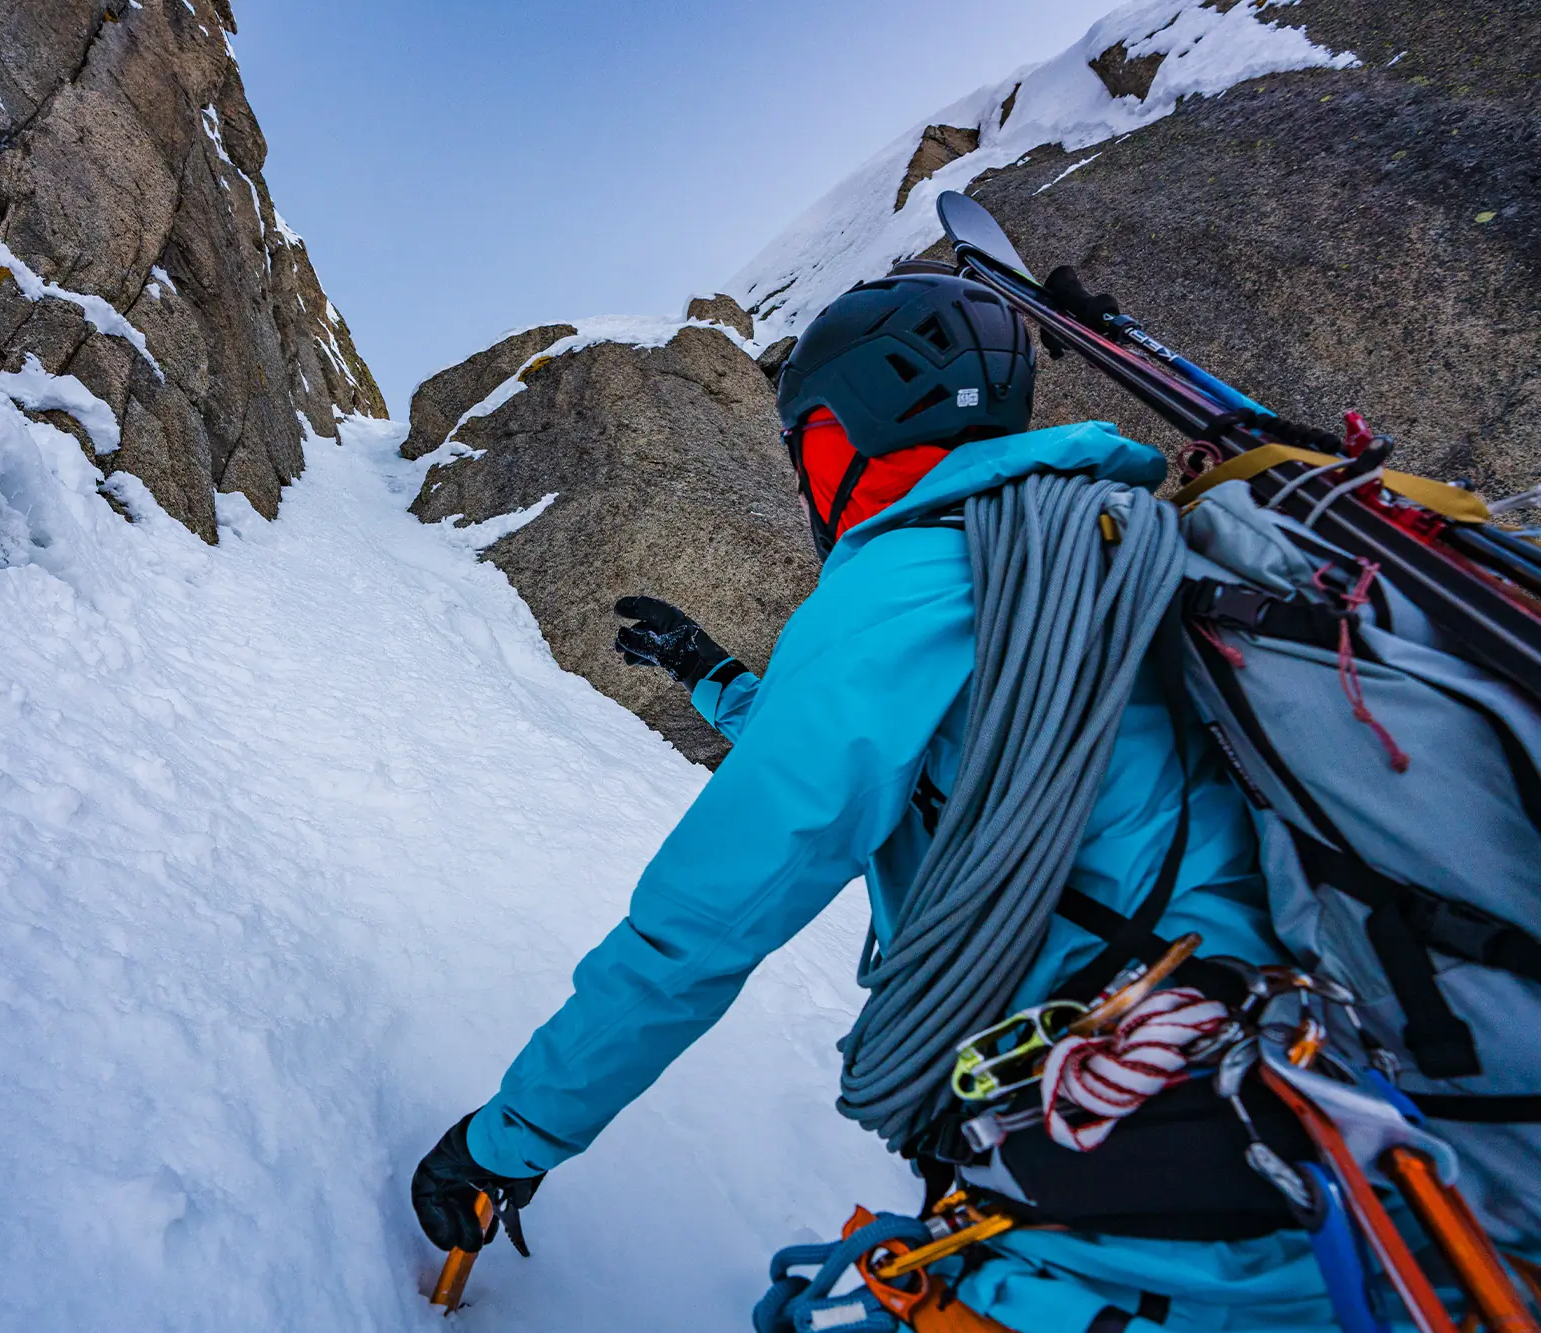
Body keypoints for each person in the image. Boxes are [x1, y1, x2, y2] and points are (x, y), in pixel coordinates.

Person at [412, 267, 1342, 1330]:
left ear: (846, 426)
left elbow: (704, 920)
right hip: (1303, 1103)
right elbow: (935, 751)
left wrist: (507, 1139)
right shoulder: (1104, 536)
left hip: (1131, 1158)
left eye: (799, 437)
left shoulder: (911, 575)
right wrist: (714, 675)